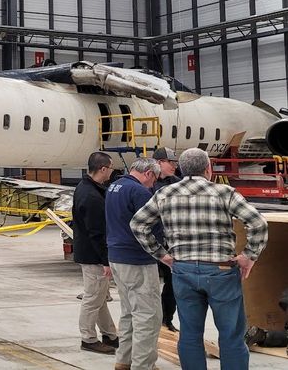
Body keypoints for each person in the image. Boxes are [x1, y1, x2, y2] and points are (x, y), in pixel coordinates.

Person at [131, 148, 268, 370]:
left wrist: (162, 255)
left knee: (190, 334)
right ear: (208, 169)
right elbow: (258, 223)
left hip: (183, 270)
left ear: (182, 170)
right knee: (231, 335)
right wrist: (248, 256)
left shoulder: (164, 194)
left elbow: (138, 224)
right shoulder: (225, 193)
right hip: (221, 271)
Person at [105, 157, 163, 370]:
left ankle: (124, 360)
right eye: (154, 179)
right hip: (137, 259)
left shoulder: (115, 186)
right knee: (148, 315)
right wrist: (162, 251)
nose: (153, 184)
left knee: (129, 312)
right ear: (149, 173)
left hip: (117, 256)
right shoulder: (139, 192)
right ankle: (143, 365)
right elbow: (151, 226)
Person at [72, 151, 118, 355]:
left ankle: (109, 334)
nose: (112, 171)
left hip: (89, 252)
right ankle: (88, 339)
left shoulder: (86, 187)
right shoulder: (91, 196)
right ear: (103, 169)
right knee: (93, 298)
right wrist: (106, 260)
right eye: (111, 167)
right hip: (93, 255)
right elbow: (97, 233)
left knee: (99, 297)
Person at [152, 146, 180, 332]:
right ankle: (152, 323)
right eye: (171, 162)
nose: (174, 166)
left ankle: (166, 320)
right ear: (159, 163)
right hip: (151, 242)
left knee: (173, 283)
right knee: (150, 285)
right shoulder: (148, 183)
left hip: (171, 242)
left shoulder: (177, 183)